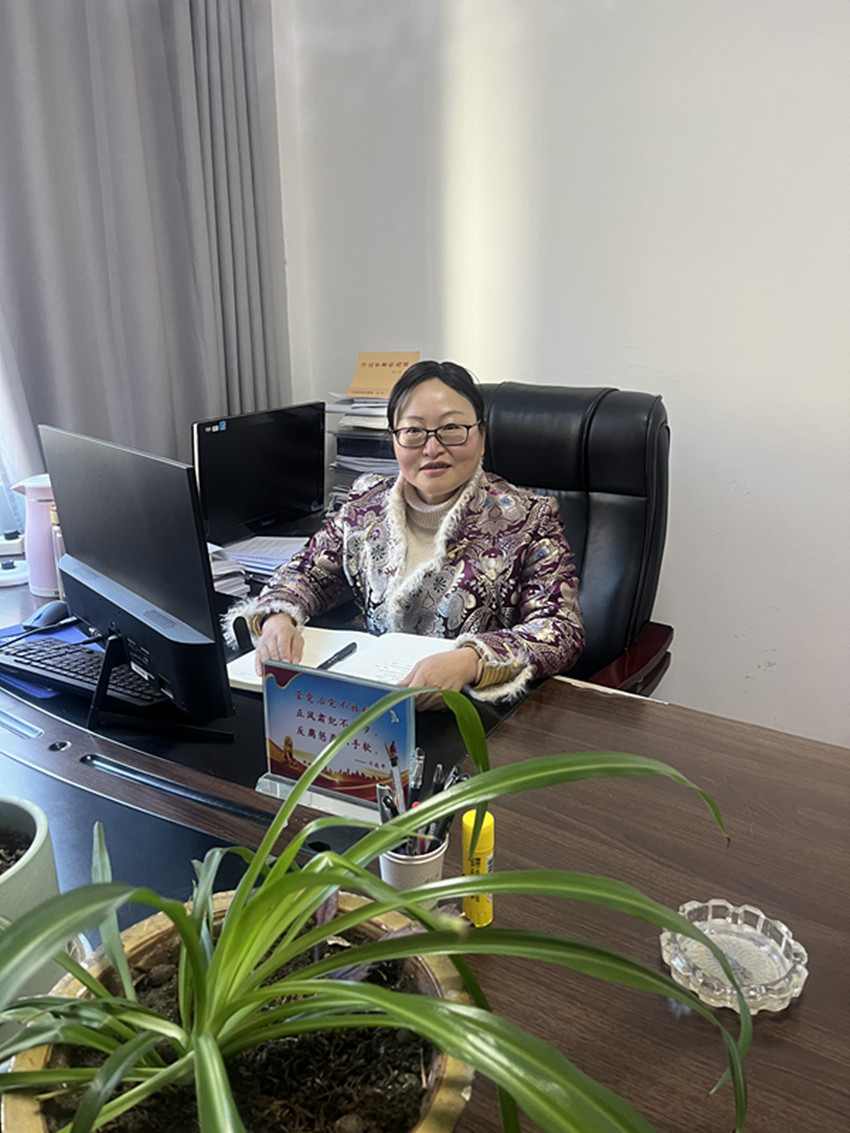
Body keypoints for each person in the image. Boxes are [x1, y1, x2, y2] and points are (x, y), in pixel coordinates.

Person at [224, 361, 584, 708]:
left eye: (451, 428)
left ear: (482, 435)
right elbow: (309, 573)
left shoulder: (529, 518)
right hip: (371, 704)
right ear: (394, 439)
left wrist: (471, 661)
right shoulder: (365, 501)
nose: (432, 448)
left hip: (473, 713)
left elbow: (560, 629)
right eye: (413, 431)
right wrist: (278, 618)